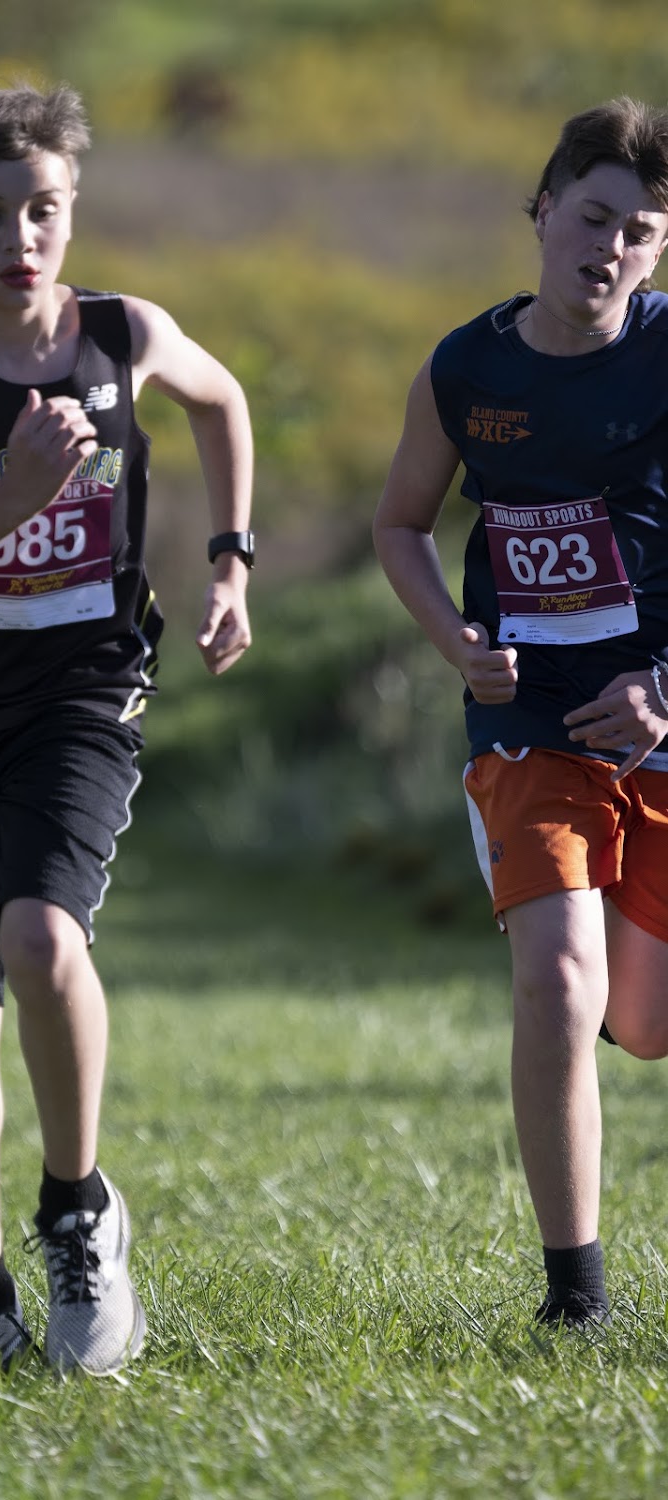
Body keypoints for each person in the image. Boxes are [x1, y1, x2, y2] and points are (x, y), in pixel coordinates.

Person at [0, 82, 254, 1376]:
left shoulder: (124, 334)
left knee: (39, 933)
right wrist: (10, 500)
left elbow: (222, 403)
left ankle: (78, 1213)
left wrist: (231, 562)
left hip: (82, 689)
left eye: (43, 210)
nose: (19, 238)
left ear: (72, 212)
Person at [373, 97, 668, 1329]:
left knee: (639, 1021)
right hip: (526, 719)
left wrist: (661, 689)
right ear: (543, 211)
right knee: (554, 980)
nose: (610, 247)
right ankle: (574, 1296)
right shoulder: (466, 368)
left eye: (640, 232)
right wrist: (454, 639)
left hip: (654, 716)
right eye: (592, 217)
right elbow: (401, 524)